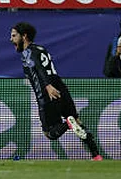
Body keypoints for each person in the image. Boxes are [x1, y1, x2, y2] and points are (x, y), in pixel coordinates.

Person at [10, 22, 102, 161]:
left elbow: (39, 67)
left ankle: (67, 124)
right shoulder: (41, 49)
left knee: (49, 133)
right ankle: (96, 155)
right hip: (60, 85)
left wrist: (47, 86)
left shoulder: (28, 52)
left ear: (24, 36)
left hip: (47, 92)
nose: (11, 39)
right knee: (77, 121)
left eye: (14, 36)